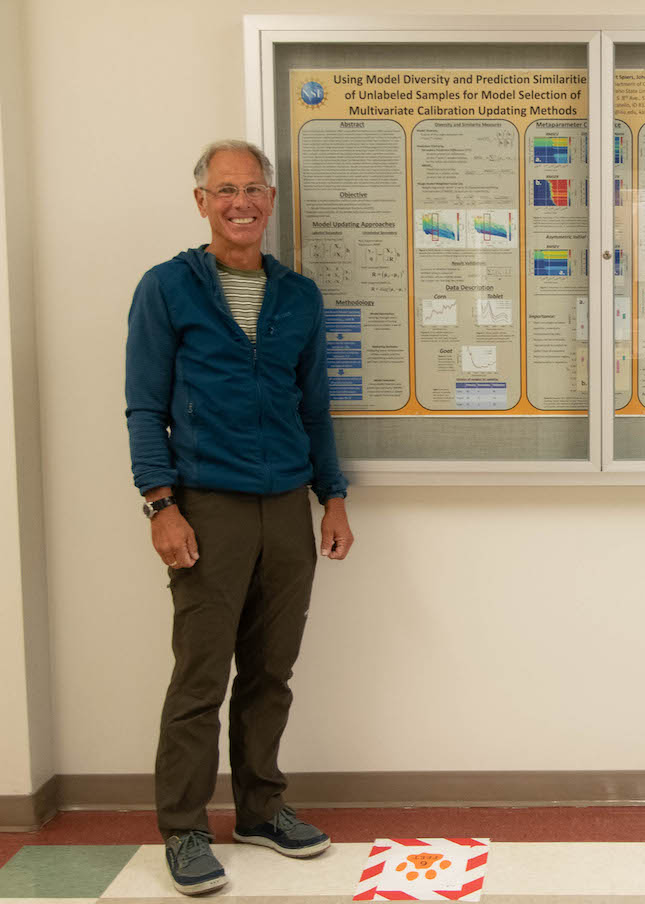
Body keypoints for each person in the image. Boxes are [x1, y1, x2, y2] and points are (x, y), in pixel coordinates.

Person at [125, 139, 353, 895]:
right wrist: (161, 506)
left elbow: (314, 408)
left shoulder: (299, 295)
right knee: (199, 678)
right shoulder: (167, 289)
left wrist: (334, 496)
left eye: (253, 189)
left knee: (270, 672)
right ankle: (185, 829)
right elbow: (144, 407)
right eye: (225, 190)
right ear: (201, 203)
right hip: (206, 508)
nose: (240, 203)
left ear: (271, 200)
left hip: (288, 507)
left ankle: (260, 809)